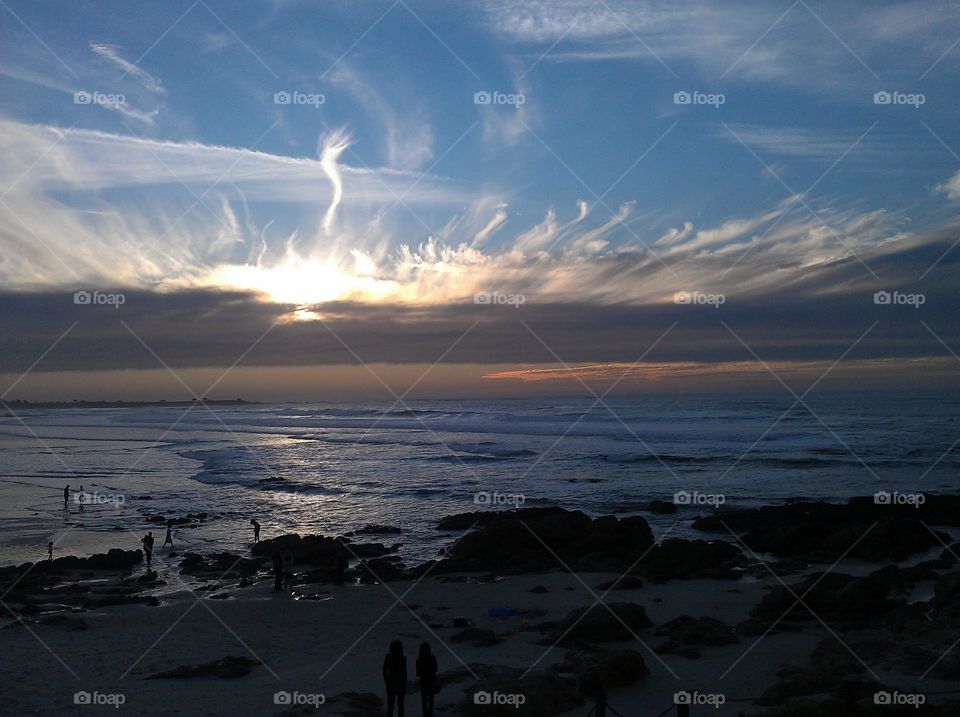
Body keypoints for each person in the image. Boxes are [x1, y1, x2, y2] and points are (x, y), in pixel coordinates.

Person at [383, 640, 407, 717]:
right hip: (399, 685)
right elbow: (404, 673)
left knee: (391, 706)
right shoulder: (402, 659)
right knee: (400, 706)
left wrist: (387, 681)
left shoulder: (388, 658)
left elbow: (384, 671)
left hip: (391, 684)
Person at [416, 643, 437, 717]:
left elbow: (418, 674)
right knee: (431, 700)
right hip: (431, 681)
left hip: (423, 682)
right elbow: (435, 669)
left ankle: (425, 715)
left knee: (424, 701)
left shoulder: (419, 660)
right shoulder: (433, 658)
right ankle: (430, 714)